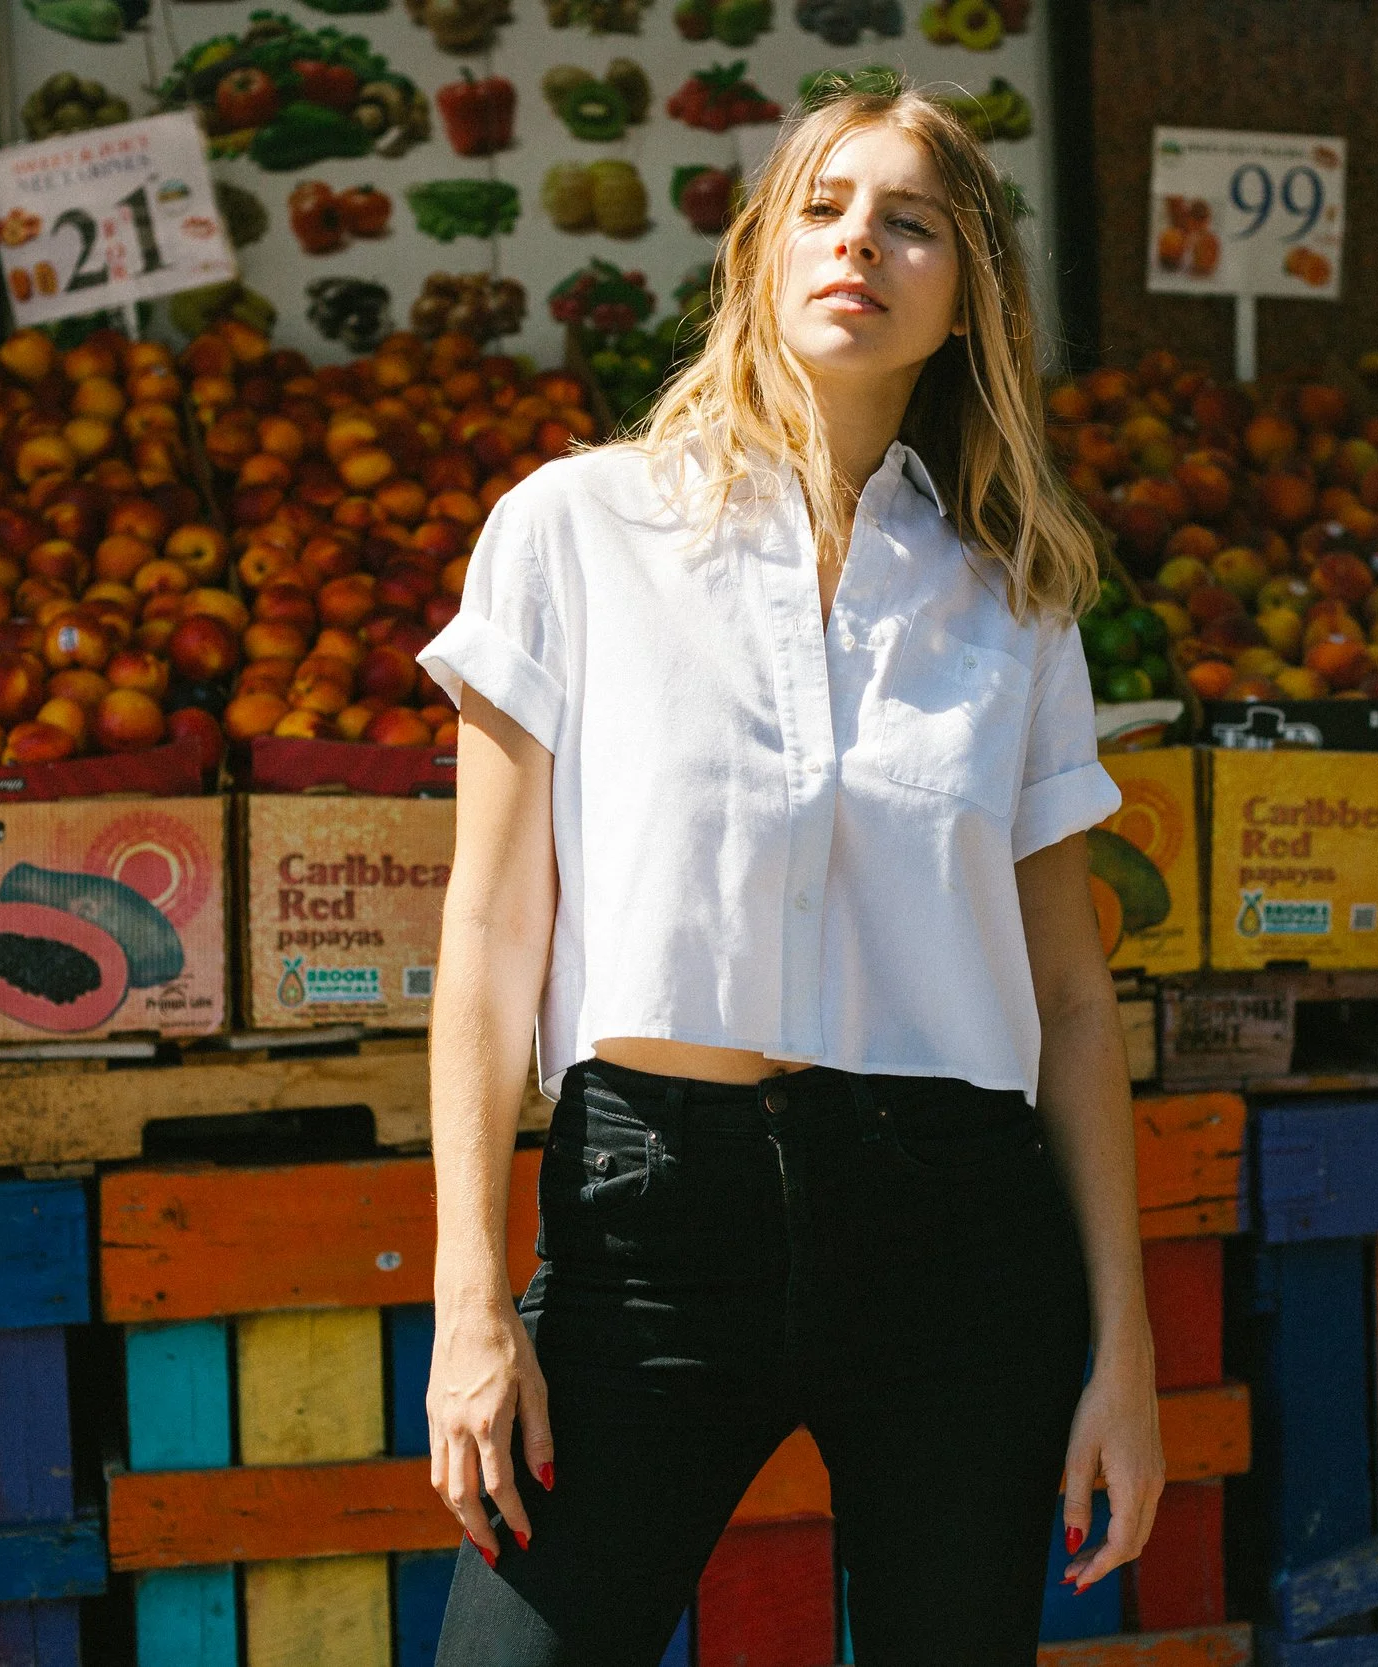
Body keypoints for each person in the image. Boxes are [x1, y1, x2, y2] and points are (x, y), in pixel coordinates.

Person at [414, 79, 1164, 1667]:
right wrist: (470, 1305)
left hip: (954, 1233)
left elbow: (1075, 999)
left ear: (967, 300)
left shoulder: (1012, 600)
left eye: (910, 222)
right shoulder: (574, 532)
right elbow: (485, 939)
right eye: (822, 207)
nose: (859, 244)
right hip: (651, 1228)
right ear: (759, 251)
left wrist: (1125, 1347)